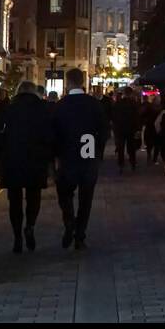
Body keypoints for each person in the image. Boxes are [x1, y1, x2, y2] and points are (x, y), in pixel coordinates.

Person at [0, 80, 54, 254]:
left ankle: (17, 236)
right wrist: (51, 158)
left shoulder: (8, 109)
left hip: (12, 159)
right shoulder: (43, 109)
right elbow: (50, 135)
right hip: (35, 159)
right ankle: (30, 226)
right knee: (34, 196)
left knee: (14, 200)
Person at [52, 68, 105, 250]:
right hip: (88, 154)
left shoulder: (60, 105)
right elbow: (104, 131)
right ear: (82, 81)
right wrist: (97, 150)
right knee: (86, 198)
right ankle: (80, 235)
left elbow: (54, 134)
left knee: (64, 193)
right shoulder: (94, 104)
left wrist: (56, 154)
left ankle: (69, 220)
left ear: (67, 82)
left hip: (67, 156)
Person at [111, 86, 140, 172]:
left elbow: (114, 116)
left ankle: (121, 164)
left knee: (121, 148)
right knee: (131, 148)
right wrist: (138, 128)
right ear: (131, 93)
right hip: (131, 129)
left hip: (120, 129)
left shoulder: (118, 103)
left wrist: (115, 127)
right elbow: (136, 117)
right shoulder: (133, 103)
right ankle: (132, 163)